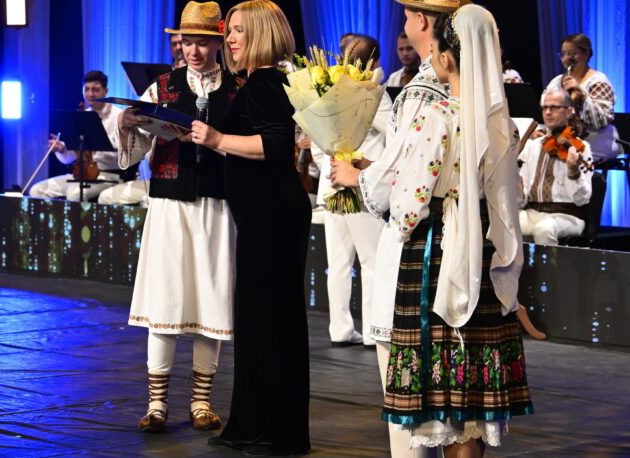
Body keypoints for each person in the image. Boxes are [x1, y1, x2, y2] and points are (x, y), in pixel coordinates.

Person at [335, 5, 533, 455]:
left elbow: (408, 204)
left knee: (442, 392)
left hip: (436, 253)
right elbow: (508, 197)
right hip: (482, 253)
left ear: (446, 56)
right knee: (472, 398)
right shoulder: (499, 121)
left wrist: (388, 203)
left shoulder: (436, 114)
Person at [189, 1, 311, 454]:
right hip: (267, 216)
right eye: (230, 30)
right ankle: (260, 427)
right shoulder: (263, 82)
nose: (230, 38)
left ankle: (271, 432)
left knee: (268, 321)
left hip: (271, 217)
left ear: (261, 33)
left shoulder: (264, 83)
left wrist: (218, 139)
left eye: (239, 30)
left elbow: (276, 145)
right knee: (264, 321)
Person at [115, 1, 242, 433]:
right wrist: (128, 123)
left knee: (211, 297)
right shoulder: (162, 88)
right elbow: (134, 154)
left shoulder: (237, 90)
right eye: (187, 42)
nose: (193, 51)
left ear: (218, 43)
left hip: (217, 206)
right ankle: (156, 405)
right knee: (165, 297)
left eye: (202, 43)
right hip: (169, 204)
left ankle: (201, 402)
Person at [310, 33, 393, 348]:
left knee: (339, 262)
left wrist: (331, 166)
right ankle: (372, 330)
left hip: (332, 182)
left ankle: (341, 328)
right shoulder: (373, 92)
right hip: (359, 183)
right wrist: (372, 168)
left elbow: (317, 138)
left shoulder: (328, 90)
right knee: (372, 259)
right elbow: (395, 136)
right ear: (376, 61)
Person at [29, 71, 129, 203]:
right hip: (82, 175)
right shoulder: (82, 115)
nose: (90, 94)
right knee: (37, 190)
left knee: (75, 193)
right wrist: (62, 149)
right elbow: (70, 158)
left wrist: (101, 145)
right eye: (86, 89)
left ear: (106, 91)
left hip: (109, 175)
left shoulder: (119, 117)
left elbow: (126, 155)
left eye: (95, 90)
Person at [519, 88, 593, 245]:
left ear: (569, 111)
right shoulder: (533, 146)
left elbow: (582, 199)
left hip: (567, 215)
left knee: (544, 229)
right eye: (545, 108)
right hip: (533, 212)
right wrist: (518, 190)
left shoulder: (581, 147)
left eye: (554, 107)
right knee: (504, 224)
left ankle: (551, 263)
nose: (547, 112)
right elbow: (523, 195)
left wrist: (573, 172)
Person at [544, 33, 618, 161]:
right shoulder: (556, 82)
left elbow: (601, 121)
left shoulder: (598, 81)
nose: (566, 59)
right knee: (536, 152)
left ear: (586, 54)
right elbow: (545, 111)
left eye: (572, 54)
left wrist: (582, 95)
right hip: (563, 141)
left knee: (561, 159)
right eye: (563, 54)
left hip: (595, 141)